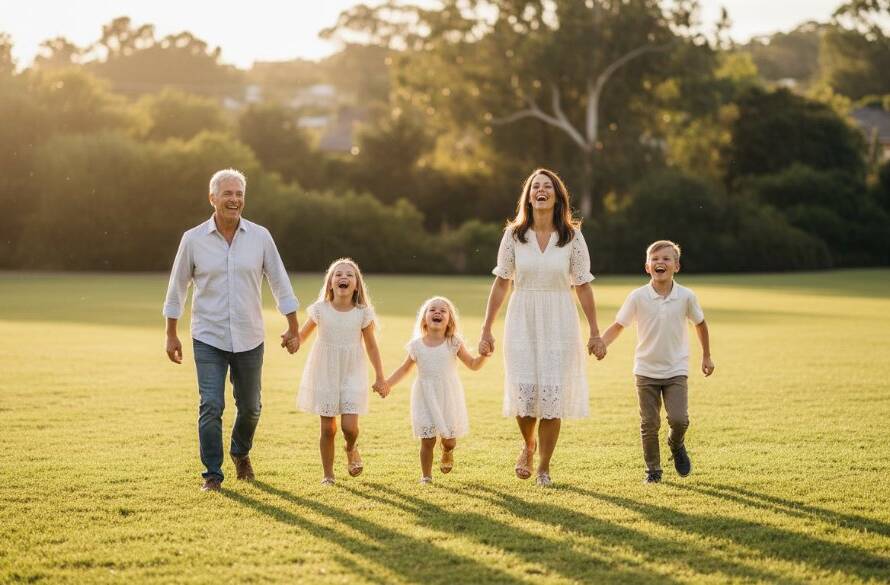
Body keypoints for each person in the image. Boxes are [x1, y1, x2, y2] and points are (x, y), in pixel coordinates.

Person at [163, 168, 300, 492]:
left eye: (239, 194)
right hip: (208, 336)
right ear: (213, 198)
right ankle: (212, 474)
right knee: (211, 404)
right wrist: (171, 333)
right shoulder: (193, 239)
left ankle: (240, 452)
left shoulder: (260, 237)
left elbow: (279, 281)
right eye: (228, 194)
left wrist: (293, 325)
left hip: (249, 335)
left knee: (251, 407)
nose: (234, 200)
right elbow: (177, 287)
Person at [479, 168, 605, 487]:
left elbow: (584, 285)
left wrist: (594, 331)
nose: (541, 190)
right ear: (529, 196)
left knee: (552, 396)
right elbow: (501, 282)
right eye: (536, 186)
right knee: (524, 394)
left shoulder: (572, 236)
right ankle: (528, 444)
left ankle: (544, 467)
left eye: (548, 186)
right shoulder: (514, 235)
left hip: (560, 319)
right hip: (522, 318)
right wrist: (486, 329)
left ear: (557, 196)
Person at [601, 240, 715, 484]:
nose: (660, 262)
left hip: (676, 370)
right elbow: (619, 325)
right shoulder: (638, 297)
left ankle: (676, 444)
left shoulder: (686, 296)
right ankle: (653, 470)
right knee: (649, 423)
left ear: (676, 266)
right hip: (645, 371)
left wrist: (706, 355)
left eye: (666, 259)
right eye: (655, 259)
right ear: (647, 266)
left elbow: (700, 324)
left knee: (679, 419)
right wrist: (602, 342)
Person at [297, 258, 387, 485]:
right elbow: (301, 336)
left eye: (349, 275)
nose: (343, 277)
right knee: (328, 428)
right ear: (330, 284)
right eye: (338, 274)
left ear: (356, 285)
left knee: (349, 427)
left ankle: (351, 446)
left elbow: (372, 346)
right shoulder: (320, 310)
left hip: (352, 371)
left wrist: (380, 377)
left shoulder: (362, 313)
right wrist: (291, 340)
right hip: (324, 371)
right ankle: (328, 475)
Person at [381, 297, 487, 484]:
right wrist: (388, 383)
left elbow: (472, 364)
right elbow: (404, 369)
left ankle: (447, 451)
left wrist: (484, 356)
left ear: (449, 320)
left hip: (448, 395)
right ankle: (426, 476)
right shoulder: (417, 345)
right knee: (427, 440)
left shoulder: (453, 342)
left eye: (442, 311)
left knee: (449, 440)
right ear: (424, 319)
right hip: (424, 395)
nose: (437, 312)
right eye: (432, 310)